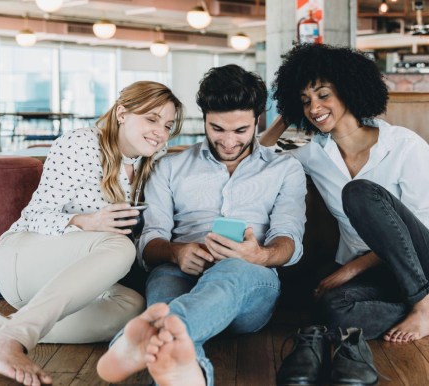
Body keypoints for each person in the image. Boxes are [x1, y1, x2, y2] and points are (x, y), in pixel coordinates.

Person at [0, 81, 184, 386]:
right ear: (121, 113)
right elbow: (35, 216)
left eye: (168, 125)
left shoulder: (154, 161)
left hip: (76, 280)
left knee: (130, 308)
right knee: (120, 247)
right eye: (152, 119)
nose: (160, 132)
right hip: (23, 258)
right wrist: (85, 221)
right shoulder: (82, 143)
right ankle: (9, 341)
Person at [260, 44, 429, 383]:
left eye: (323, 95)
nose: (314, 108)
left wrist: (351, 268)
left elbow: (424, 225)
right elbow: (257, 157)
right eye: (305, 100)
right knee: (327, 311)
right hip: (377, 283)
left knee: (358, 193)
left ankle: (426, 303)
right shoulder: (314, 154)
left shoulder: (405, 145)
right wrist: (287, 113)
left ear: (348, 89)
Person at [96, 64, 307, 386]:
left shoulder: (284, 170)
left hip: (250, 282)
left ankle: (133, 343)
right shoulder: (170, 167)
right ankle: (185, 368)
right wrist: (176, 252)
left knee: (230, 271)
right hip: (176, 272)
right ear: (204, 118)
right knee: (170, 334)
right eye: (217, 128)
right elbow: (150, 240)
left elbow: (288, 237)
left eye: (240, 130)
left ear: (258, 120)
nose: (228, 141)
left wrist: (258, 256)